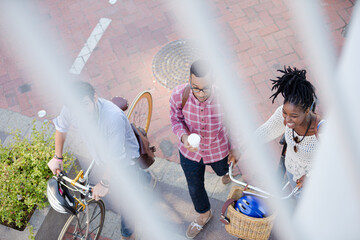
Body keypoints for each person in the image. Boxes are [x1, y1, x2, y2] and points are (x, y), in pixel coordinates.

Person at [47, 81, 140, 240]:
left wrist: (104, 183)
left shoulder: (113, 118)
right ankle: (145, 179)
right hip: (101, 155)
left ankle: (128, 234)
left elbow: (116, 157)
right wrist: (58, 157)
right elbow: (61, 128)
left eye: (84, 104)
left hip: (124, 159)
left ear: (95, 97)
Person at [169, 60, 239, 238]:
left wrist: (236, 148)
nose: (200, 93)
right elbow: (176, 120)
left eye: (205, 88)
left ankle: (224, 173)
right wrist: (184, 137)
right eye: (195, 87)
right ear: (190, 81)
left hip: (218, 148)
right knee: (194, 185)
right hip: (189, 152)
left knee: (223, 170)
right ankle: (204, 214)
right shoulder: (179, 95)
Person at [254, 66, 324, 196]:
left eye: (294, 116)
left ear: (307, 110)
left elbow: (329, 161)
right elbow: (267, 130)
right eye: (285, 112)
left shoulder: (322, 131)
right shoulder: (286, 115)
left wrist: (310, 177)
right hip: (291, 172)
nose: (287, 119)